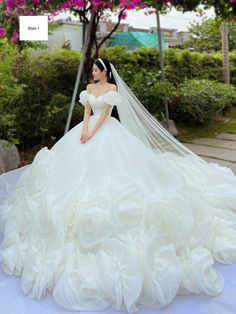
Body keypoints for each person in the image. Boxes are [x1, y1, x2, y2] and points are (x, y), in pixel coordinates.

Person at [0, 57, 236, 313]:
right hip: (86, 130)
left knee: (118, 172)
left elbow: (105, 115)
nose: (92, 72)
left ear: (105, 71)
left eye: (96, 69)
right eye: (91, 69)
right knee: (71, 171)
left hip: (107, 133)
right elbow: (88, 111)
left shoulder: (111, 90)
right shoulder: (89, 90)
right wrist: (84, 129)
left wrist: (93, 132)